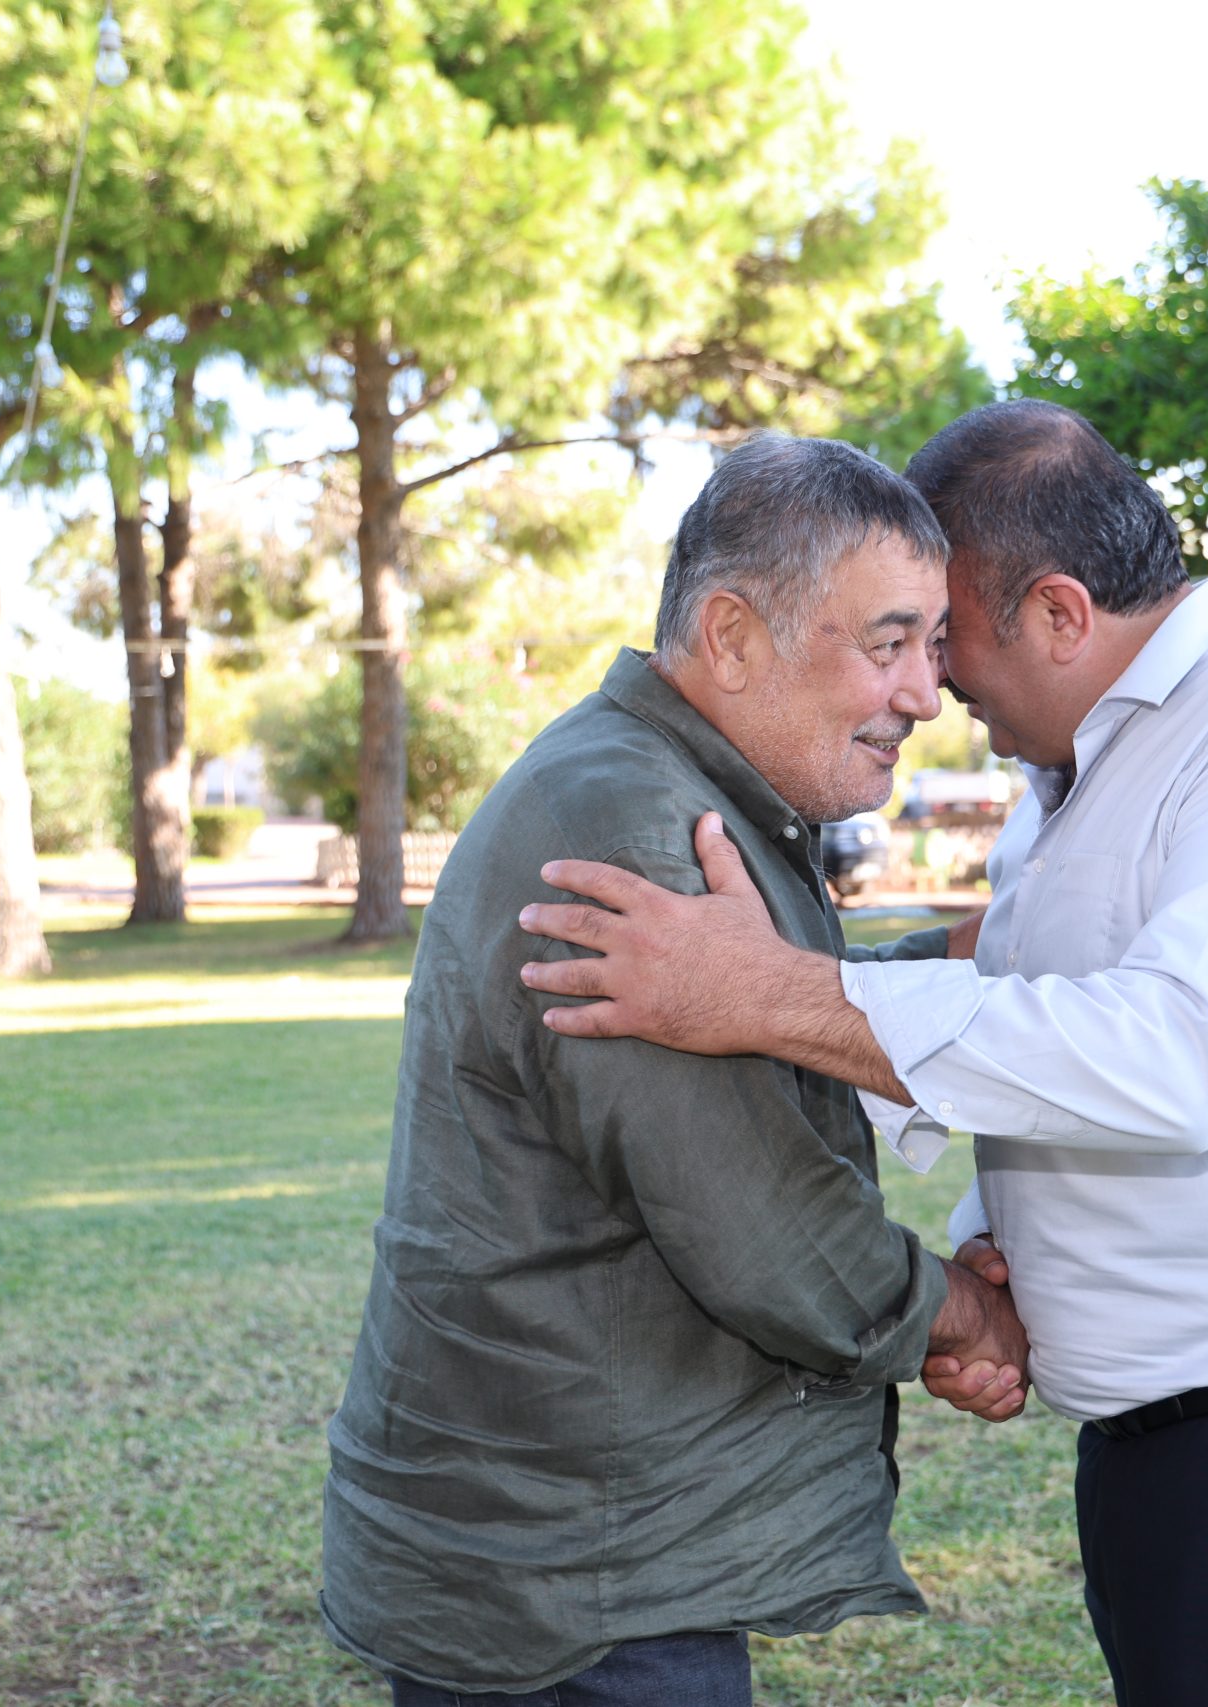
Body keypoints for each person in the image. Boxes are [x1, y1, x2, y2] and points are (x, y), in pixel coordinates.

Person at [516, 400, 1208, 1707]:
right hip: (1186, 1458)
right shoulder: (1080, 763)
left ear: (1059, 613)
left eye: (945, 644)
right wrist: (1000, 1251)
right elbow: (1039, 1013)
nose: (930, 690)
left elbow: (1180, 1055)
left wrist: (775, 994)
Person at [320, 433, 1028, 1707]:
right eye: (890, 642)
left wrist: (950, 961)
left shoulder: (663, 788)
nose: (928, 693)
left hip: (572, 1546)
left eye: (932, 646)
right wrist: (963, 1317)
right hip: (575, 1583)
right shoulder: (643, 835)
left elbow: (773, 996)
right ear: (733, 636)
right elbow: (761, 1228)